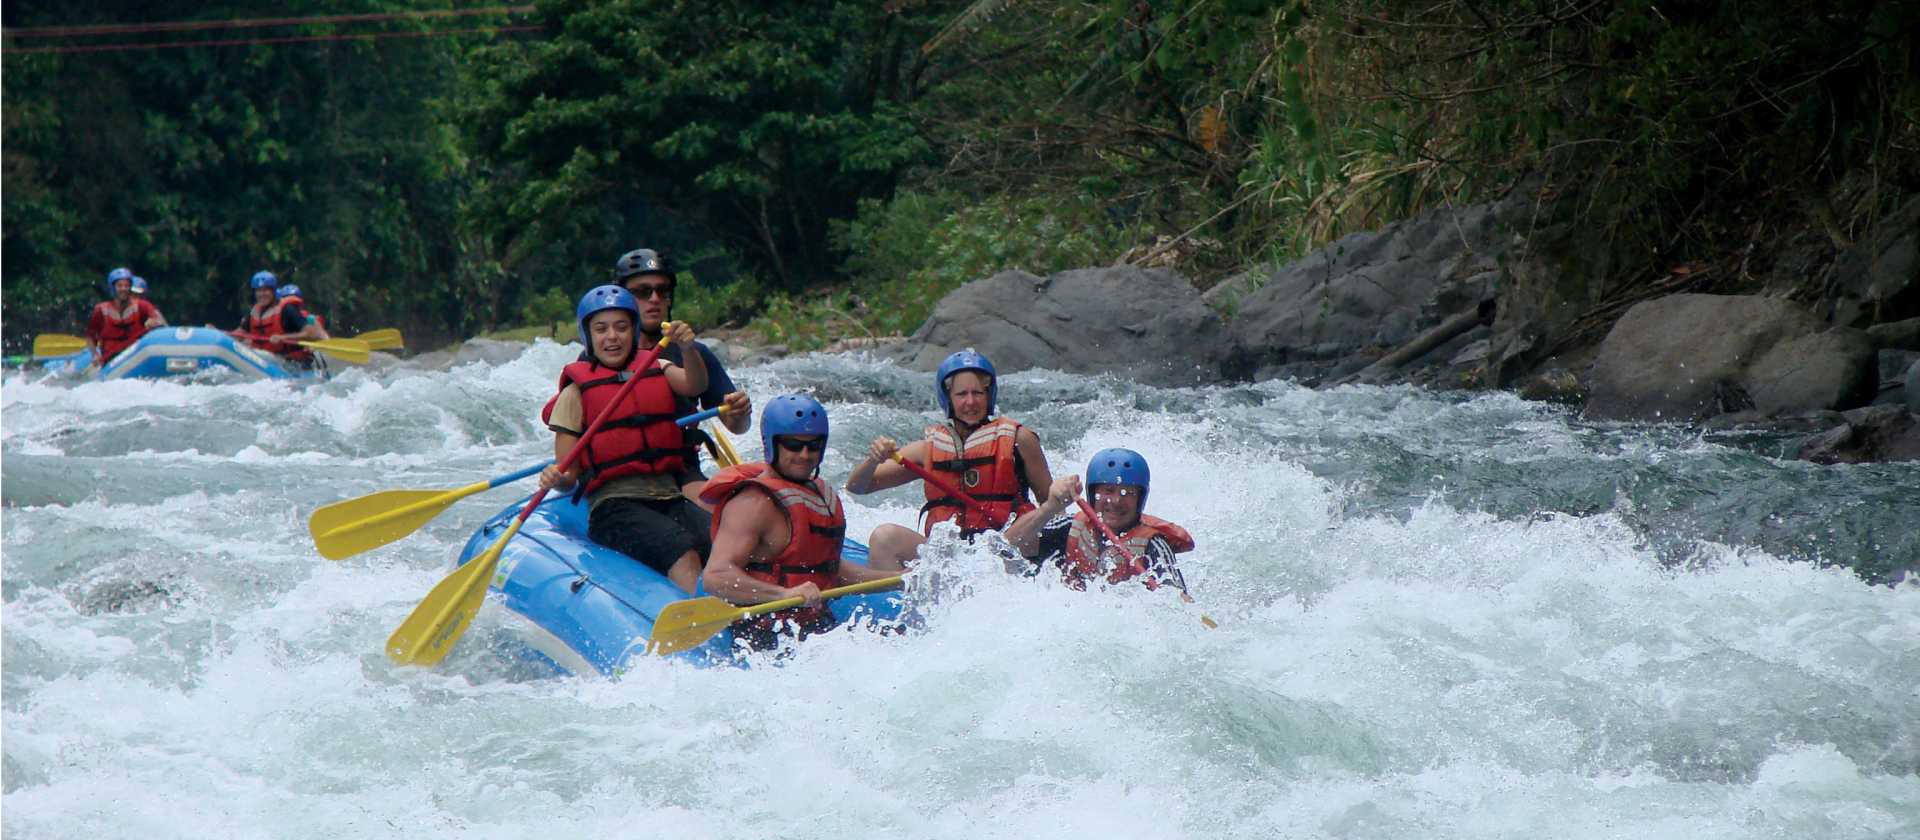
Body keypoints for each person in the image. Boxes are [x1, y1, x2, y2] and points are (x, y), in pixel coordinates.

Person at [537, 285, 712, 594]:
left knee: (724, 539)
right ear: (588, 336)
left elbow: (694, 384)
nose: (612, 337)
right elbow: (569, 475)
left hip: (669, 497)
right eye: (601, 329)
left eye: (621, 327)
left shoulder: (656, 366)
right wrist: (557, 477)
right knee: (682, 551)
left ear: (634, 330)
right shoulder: (574, 393)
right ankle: (699, 630)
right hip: (614, 509)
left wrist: (688, 350)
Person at [700, 394, 898, 651]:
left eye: (813, 446)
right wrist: (783, 595)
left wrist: (896, 578)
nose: (805, 455)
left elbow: (828, 570)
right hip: (762, 633)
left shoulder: (821, 493)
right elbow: (716, 577)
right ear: (772, 444)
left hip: (814, 625)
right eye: (793, 445)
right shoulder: (753, 503)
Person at [844, 349, 1053, 570]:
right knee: (884, 537)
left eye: (978, 393)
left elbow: (1053, 509)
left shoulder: (1021, 440)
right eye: (962, 394)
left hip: (1005, 553)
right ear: (948, 399)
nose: (971, 402)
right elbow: (857, 487)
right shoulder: (927, 450)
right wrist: (873, 460)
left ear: (989, 395)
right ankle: (900, 599)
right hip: (948, 557)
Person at [611, 248, 750, 498]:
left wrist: (739, 411)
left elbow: (737, 426)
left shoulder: (693, 354)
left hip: (680, 469)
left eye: (662, 291)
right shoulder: (599, 358)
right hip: (617, 472)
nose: (654, 298)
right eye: (643, 292)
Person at [1004, 448, 1196, 593]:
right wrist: (1050, 507)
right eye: (1108, 491)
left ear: (1140, 498)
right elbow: (1007, 548)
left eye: (1127, 493)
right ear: (1092, 493)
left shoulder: (1153, 546)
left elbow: (1177, 602)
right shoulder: (1071, 527)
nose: (1116, 501)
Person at [235, 271, 327, 366]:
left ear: (273, 291)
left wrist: (283, 337)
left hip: (293, 363)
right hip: (266, 358)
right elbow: (239, 333)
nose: (262, 294)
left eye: (266, 290)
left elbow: (310, 334)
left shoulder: (287, 310)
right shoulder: (255, 312)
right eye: (258, 290)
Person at [86, 267, 166, 365]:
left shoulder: (143, 306)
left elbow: (158, 321)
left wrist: (153, 322)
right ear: (113, 288)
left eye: (127, 286)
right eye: (120, 286)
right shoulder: (101, 310)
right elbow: (91, 336)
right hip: (111, 359)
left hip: (135, 354)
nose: (123, 289)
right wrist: (95, 354)